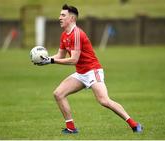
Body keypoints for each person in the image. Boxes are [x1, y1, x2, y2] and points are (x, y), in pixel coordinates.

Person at [36, 4, 143, 134]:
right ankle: (71, 128)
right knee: (58, 94)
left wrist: (51, 61)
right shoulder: (64, 35)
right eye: (60, 15)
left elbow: (73, 60)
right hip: (81, 73)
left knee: (104, 100)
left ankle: (134, 124)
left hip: (93, 71)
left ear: (72, 19)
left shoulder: (77, 34)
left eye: (63, 15)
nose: (59, 18)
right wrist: (45, 60)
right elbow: (60, 56)